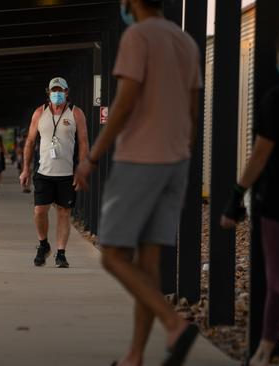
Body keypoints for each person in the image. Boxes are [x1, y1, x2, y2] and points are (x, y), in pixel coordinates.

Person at [73, 0, 202, 364]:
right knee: (148, 265)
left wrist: (92, 157)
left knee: (113, 256)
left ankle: (173, 323)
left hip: (140, 161)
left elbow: (125, 103)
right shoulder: (186, 42)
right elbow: (193, 112)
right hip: (175, 161)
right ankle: (134, 357)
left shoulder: (138, 36)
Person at [220, 29, 279, 366]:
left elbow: (259, 156)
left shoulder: (278, 100)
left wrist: (235, 197)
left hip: (278, 204)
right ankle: (265, 349)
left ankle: (266, 348)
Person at [19, 76, 89, 269]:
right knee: (39, 211)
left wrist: (82, 168)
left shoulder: (76, 113)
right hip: (44, 172)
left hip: (66, 173)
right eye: (54, 90)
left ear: (67, 92)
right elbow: (30, 142)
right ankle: (43, 245)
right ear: (48, 92)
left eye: (61, 90)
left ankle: (61, 253)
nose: (57, 94)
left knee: (64, 213)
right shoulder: (39, 113)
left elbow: (83, 142)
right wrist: (25, 169)